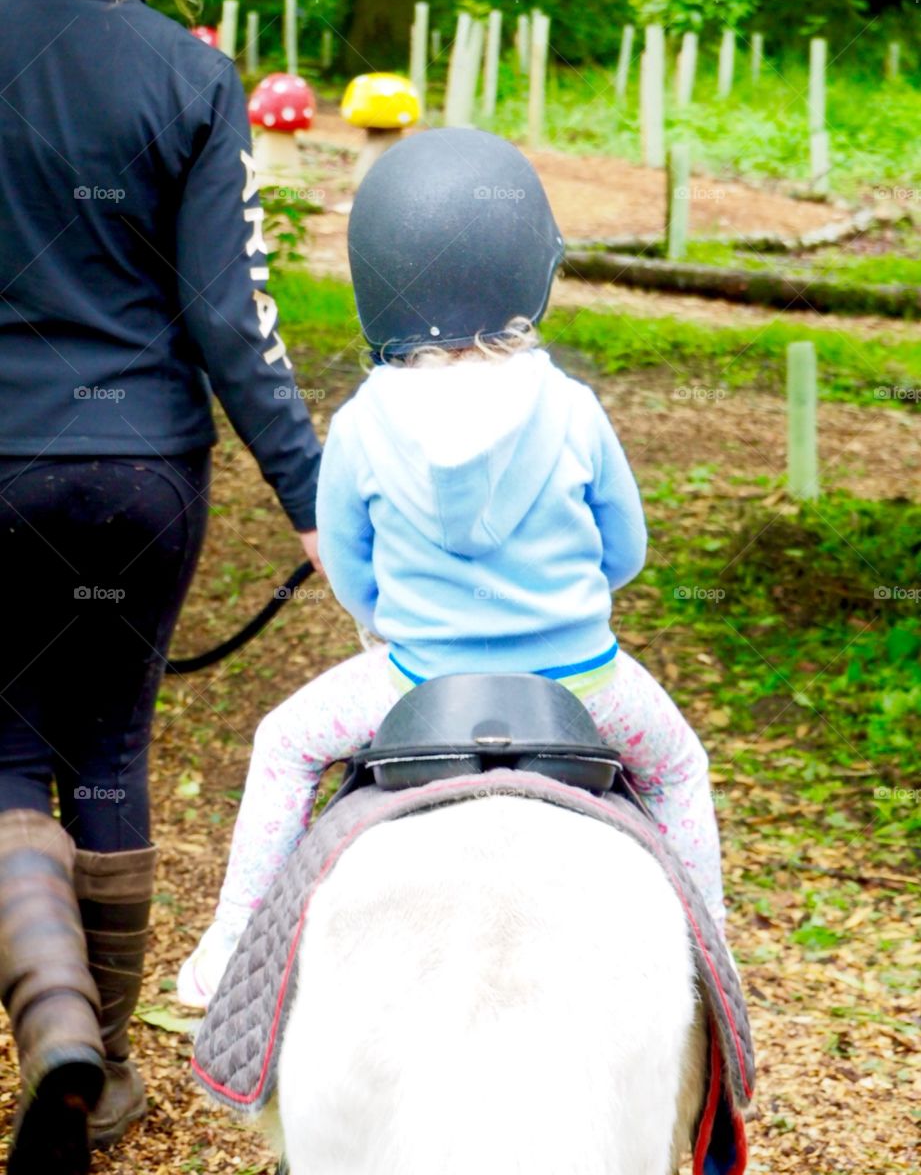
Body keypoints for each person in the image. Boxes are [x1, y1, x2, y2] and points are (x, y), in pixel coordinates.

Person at [178, 127, 728, 1011]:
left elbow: (353, 574)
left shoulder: (362, 419)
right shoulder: (574, 408)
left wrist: (387, 619)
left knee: (283, 745)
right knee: (678, 770)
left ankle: (234, 940)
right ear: (522, 270)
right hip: (584, 683)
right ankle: (709, 957)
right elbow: (625, 552)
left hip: (413, 680)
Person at [0, 0, 322, 1171]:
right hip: (142, 471)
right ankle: (110, 1067)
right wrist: (311, 492)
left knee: (8, 753)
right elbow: (231, 317)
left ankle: (55, 1026)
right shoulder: (192, 74)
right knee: (112, 744)